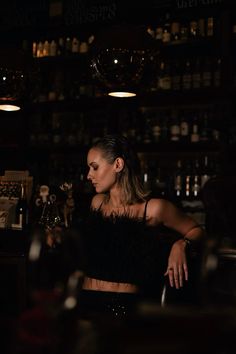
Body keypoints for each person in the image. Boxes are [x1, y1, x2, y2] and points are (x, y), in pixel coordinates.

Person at [78, 134, 205, 318]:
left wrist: (181, 245)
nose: (89, 175)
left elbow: (198, 231)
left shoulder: (153, 208)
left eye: (94, 167)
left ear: (118, 165)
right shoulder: (96, 203)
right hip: (86, 302)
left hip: (125, 308)